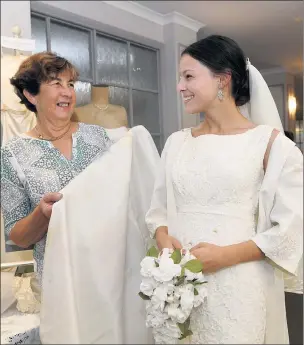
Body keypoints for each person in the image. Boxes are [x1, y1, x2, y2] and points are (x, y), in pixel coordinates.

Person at [146, 35, 303, 344]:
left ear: (223, 79)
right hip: (178, 283)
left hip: (238, 283)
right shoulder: (176, 143)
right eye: (181, 77)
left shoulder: (271, 145)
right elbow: (157, 211)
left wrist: (225, 256)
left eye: (189, 76)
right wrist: (163, 239)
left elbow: (291, 228)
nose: (180, 86)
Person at [0, 52, 125, 288]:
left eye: (70, 84)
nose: (67, 92)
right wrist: (42, 215)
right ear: (31, 94)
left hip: (110, 270)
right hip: (59, 282)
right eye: (56, 83)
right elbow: (17, 235)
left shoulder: (98, 137)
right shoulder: (12, 154)